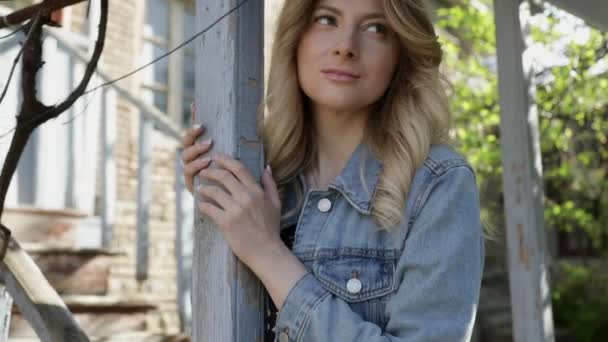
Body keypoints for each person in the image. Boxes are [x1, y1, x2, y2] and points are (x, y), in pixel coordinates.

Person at [181, 0, 485, 340]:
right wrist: (217, 200)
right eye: (327, 20)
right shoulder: (258, 172)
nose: (345, 47)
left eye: (375, 28)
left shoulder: (437, 183)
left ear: (401, 53)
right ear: (296, 36)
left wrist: (268, 254)